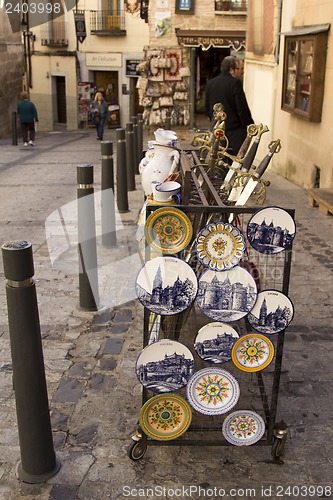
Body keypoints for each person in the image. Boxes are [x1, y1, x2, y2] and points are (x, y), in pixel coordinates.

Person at [205, 56, 254, 157]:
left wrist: (214, 121)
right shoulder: (235, 83)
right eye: (240, 69)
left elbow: (207, 107)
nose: (242, 72)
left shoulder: (211, 83)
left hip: (217, 131)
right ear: (232, 70)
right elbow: (241, 108)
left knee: (219, 161)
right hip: (234, 132)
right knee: (234, 162)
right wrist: (247, 126)